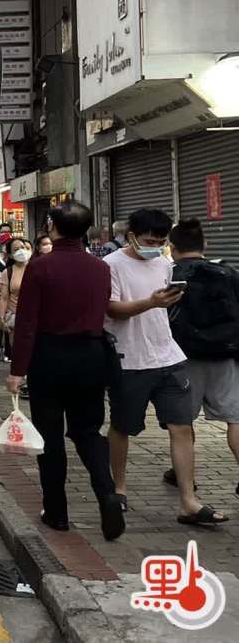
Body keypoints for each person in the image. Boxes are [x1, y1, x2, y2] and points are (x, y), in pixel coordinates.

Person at [6, 201, 125, 540]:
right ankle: (108, 494)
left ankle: (56, 512)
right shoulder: (100, 268)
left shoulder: (40, 268)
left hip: (49, 358)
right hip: (91, 357)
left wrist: (17, 371)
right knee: (88, 432)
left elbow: (27, 323)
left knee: (50, 437)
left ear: (52, 227)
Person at [104, 208, 227, 526]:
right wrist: (151, 302)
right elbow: (112, 309)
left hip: (169, 357)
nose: (156, 247)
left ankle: (188, 500)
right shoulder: (111, 265)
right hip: (129, 360)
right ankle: (119, 489)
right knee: (123, 427)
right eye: (150, 241)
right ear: (131, 236)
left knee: (182, 426)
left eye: (161, 242)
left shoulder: (164, 263)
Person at [164, 218, 239, 498]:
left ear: (171, 247)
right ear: (204, 244)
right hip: (226, 356)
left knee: (182, 423)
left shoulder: (170, 276)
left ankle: (185, 477)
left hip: (182, 358)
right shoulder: (228, 273)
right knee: (235, 419)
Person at [0, 238, 32, 362]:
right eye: (16, 249)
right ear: (10, 255)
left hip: (34, 318)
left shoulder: (36, 268)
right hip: (15, 319)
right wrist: (2, 317)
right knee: (18, 353)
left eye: (23, 247)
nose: (21, 251)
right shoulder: (8, 272)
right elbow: (4, 298)